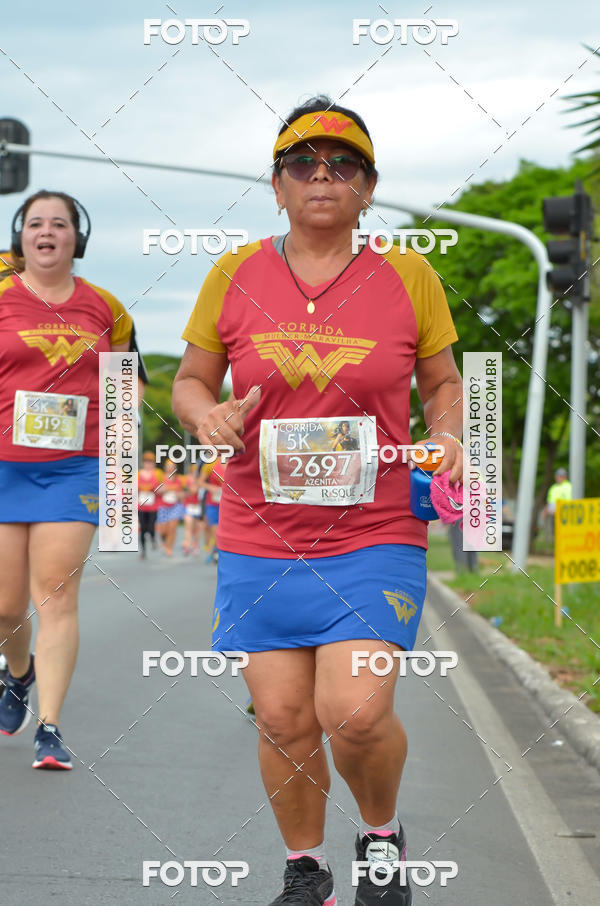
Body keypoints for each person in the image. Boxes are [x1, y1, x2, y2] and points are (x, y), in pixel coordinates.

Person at [172, 96, 462, 905]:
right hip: (260, 531)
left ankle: (381, 838)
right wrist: (206, 414)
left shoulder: (409, 275)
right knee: (282, 718)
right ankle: (307, 871)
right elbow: (191, 379)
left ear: (369, 187)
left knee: (354, 712)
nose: (322, 177)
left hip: (374, 529)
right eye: (303, 164)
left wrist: (448, 436)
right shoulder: (234, 273)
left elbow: (443, 384)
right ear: (277, 186)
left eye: (343, 165)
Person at [0, 190, 134, 770]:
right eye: (36, 223)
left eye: (60, 223)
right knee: (6, 608)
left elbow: (124, 388)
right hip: (4, 465)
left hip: (74, 467)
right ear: (21, 237)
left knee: (55, 594)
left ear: (78, 238)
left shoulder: (107, 308)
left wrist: (121, 478)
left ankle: (50, 727)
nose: (47, 231)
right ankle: (18, 672)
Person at [197, 459, 225, 564]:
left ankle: (217, 549)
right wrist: (210, 487)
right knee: (214, 528)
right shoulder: (211, 464)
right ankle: (215, 551)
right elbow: (200, 482)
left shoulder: (235, 460)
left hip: (229, 503)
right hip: (213, 502)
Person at [155, 456, 184, 556]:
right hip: (163, 506)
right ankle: (164, 541)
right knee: (163, 531)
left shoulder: (179, 479)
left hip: (175, 506)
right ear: (165, 467)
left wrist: (179, 494)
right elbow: (155, 490)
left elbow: (184, 493)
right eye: (168, 466)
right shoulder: (161, 478)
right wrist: (164, 490)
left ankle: (169, 548)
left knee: (172, 527)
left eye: (172, 466)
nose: (170, 468)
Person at [138, 450, 163, 558]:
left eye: (151, 462)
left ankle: (152, 538)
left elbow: (162, 488)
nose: (148, 464)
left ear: (154, 463)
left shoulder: (158, 473)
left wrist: (155, 489)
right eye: (146, 462)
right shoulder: (138, 474)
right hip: (141, 506)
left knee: (152, 526)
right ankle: (143, 551)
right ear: (143, 463)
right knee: (143, 528)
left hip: (153, 506)